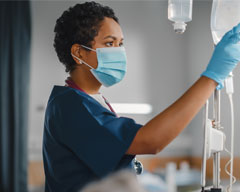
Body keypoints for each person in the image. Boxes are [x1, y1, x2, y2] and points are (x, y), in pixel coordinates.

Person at [42, 1, 240, 192]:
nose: (119, 52)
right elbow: (150, 141)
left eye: (121, 44)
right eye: (110, 43)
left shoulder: (92, 101)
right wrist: (211, 77)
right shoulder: (70, 106)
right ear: (79, 53)